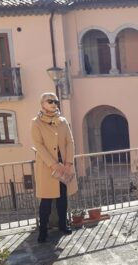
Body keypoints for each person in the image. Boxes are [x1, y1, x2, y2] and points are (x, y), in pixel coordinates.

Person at [31, 92, 78, 243]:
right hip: (47, 167)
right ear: (42, 104)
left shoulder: (62, 121)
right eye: (50, 101)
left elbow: (70, 142)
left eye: (56, 101)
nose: (53, 104)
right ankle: (43, 231)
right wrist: (53, 164)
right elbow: (39, 145)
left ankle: (63, 226)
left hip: (64, 165)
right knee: (46, 201)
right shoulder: (36, 123)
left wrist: (69, 163)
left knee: (62, 198)